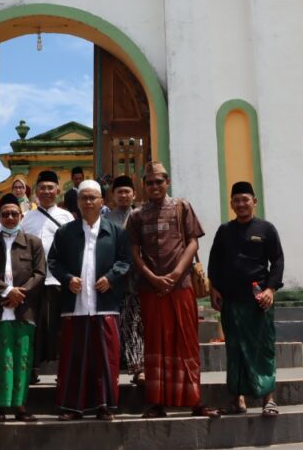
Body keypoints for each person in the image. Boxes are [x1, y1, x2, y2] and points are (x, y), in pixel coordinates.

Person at [127, 161, 218, 419]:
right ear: (143, 186)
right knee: (155, 344)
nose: (155, 186)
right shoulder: (136, 216)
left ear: (167, 182)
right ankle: (156, 402)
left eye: (159, 181)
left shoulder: (181, 207)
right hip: (151, 289)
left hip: (182, 286)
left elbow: (192, 243)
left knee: (186, 342)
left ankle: (195, 400)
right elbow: (135, 252)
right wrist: (153, 277)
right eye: (150, 182)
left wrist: (176, 273)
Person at [48, 180, 131, 421]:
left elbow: (125, 260)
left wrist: (111, 277)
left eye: (93, 197)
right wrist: (66, 278)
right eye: (83, 197)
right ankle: (72, 407)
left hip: (105, 305)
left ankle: (104, 406)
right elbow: (53, 261)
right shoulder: (65, 232)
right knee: (74, 358)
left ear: (102, 202)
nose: (87, 202)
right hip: (75, 307)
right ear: (77, 202)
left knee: (106, 357)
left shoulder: (116, 231)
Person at [208, 181, 284, 416]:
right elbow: (214, 262)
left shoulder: (266, 229)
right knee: (235, 351)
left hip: (258, 301)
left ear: (254, 201)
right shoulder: (224, 231)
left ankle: (268, 400)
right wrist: (214, 289)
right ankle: (236, 401)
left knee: (262, 349)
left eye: (245, 199)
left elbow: (278, 261)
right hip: (231, 302)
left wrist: (270, 290)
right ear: (231, 204)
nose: (241, 204)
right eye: (236, 200)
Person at [0, 193, 46, 422]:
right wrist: (7, 292)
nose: (9, 217)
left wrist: (19, 294)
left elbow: (39, 273)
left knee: (22, 359)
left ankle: (20, 406)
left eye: (14, 214)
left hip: (24, 308)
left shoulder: (33, 243)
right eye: (5, 214)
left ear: (21, 216)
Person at [20, 170, 73, 384]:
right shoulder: (27, 218)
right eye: (42, 188)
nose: (46, 191)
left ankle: (63, 371)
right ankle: (32, 369)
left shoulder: (67, 217)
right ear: (35, 192)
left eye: (51, 187)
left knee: (60, 328)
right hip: (33, 282)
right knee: (33, 325)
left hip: (59, 281)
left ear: (58, 191)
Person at [103, 174, 144, 386]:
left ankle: (138, 368)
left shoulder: (141, 215)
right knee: (115, 325)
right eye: (120, 192)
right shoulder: (106, 219)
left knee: (133, 323)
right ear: (113, 196)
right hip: (113, 280)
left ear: (134, 194)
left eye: (127, 191)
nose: (124, 195)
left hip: (137, 280)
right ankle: (115, 367)